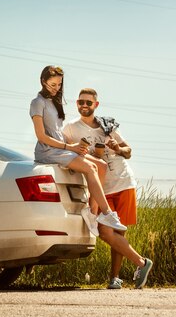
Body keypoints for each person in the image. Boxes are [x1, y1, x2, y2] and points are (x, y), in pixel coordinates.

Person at [62, 87, 153, 289]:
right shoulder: (70, 128)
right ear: (77, 104)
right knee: (105, 232)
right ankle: (141, 262)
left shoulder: (107, 126)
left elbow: (128, 151)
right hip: (100, 187)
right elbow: (66, 152)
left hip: (123, 181)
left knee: (118, 234)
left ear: (96, 105)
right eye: (80, 102)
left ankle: (114, 279)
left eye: (88, 102)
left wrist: (117, 148)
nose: (84, 106)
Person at [29, 65, 127, 233]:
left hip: (61, 149)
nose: (56, 88)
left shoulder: (54, 101)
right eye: (53, 84)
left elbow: (57, 132)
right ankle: (107, 213)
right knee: (90, 168)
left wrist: (77, 147)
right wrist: (70, 147)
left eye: (59, 84)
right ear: (43, 81)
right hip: (48, 151)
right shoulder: (37, 103)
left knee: (101, 166)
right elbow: (41, 136)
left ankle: (92, 213)